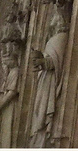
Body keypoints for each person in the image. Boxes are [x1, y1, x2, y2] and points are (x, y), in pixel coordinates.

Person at [29, 9, 68, 145]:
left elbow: (56, 61)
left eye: (53, 19)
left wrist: (42, 62)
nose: (50, 22)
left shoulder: (61, 37)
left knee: (44, 112)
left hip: (51, 81)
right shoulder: (53, 39)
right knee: (40, 110)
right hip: (45, 79)